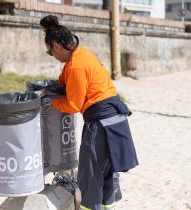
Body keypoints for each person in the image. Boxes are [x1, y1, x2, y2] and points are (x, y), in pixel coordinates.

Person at [40, 15, 139, 210]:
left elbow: (74, 105)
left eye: (50, 52)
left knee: (89, 175)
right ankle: (106, 207)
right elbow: (63, 82)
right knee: (107, 173)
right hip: (116, 120)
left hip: (101, 124)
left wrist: (51, 102)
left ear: (57, 47)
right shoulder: (82, 55)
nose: (53, 56)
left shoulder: (76, 66)